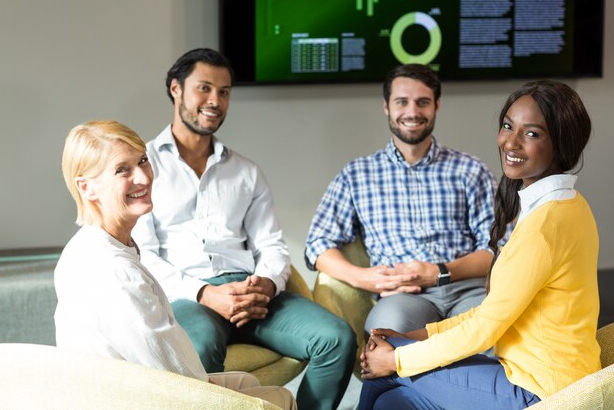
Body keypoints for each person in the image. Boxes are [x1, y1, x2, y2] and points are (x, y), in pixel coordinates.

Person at [131, 48, 356, 410]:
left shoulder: (246, 172)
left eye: (224, 92)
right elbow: (143, 255)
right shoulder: (143, 167)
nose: (215, 101)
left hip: (251, 291)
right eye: (204, 88)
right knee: (197, 349)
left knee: (336, 337)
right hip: (187, 297)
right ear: (176, 89)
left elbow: (272, 246)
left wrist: (265, 284)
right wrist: (206, 293)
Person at [358, 80, 600, 410]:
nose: (510, 142)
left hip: (540, 389)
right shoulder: (567, 204)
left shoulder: (545, 226)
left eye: (532, 133)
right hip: (532, 373)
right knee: (393, 400)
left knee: (384, 371)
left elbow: (484, 329)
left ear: (561, 142)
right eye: (507, 126)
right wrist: (418, 336)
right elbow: (489, 313)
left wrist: (396, 360)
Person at [55, 120, 297, 409]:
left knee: (248, 383)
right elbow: (173, 376)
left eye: (143, 160)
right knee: (281, 398)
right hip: (140, 398)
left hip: (131, 385)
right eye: (123, 170)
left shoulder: (84, 246)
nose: (143, 178)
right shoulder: (117, 271)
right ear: (86, 187)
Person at [305, 64, 498, 336]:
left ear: (436, 106)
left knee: (492, 333)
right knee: (388, 336)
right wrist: (364, 278)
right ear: (387, 106)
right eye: (402, 102)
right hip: (402, 298)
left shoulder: (470, 169)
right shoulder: (357, 175)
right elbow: (317, 245)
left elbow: (498, 249)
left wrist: (440, 271)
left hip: (468, 289)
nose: (412, 112)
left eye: (423, 102)